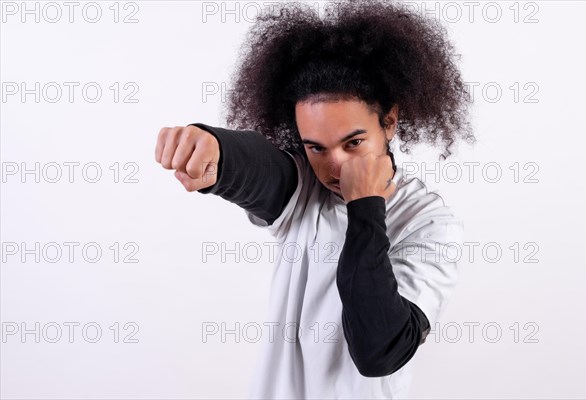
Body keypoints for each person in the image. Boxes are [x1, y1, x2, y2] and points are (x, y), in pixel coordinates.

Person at [155, 0, 474, 398]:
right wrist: (213, 146)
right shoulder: (304, 189)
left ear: (389, 121)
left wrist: (365, 204)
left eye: (353, 142)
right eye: (316, 148)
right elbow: (260, 169)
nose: (335, 165)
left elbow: (379, 350)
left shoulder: (429, 222)